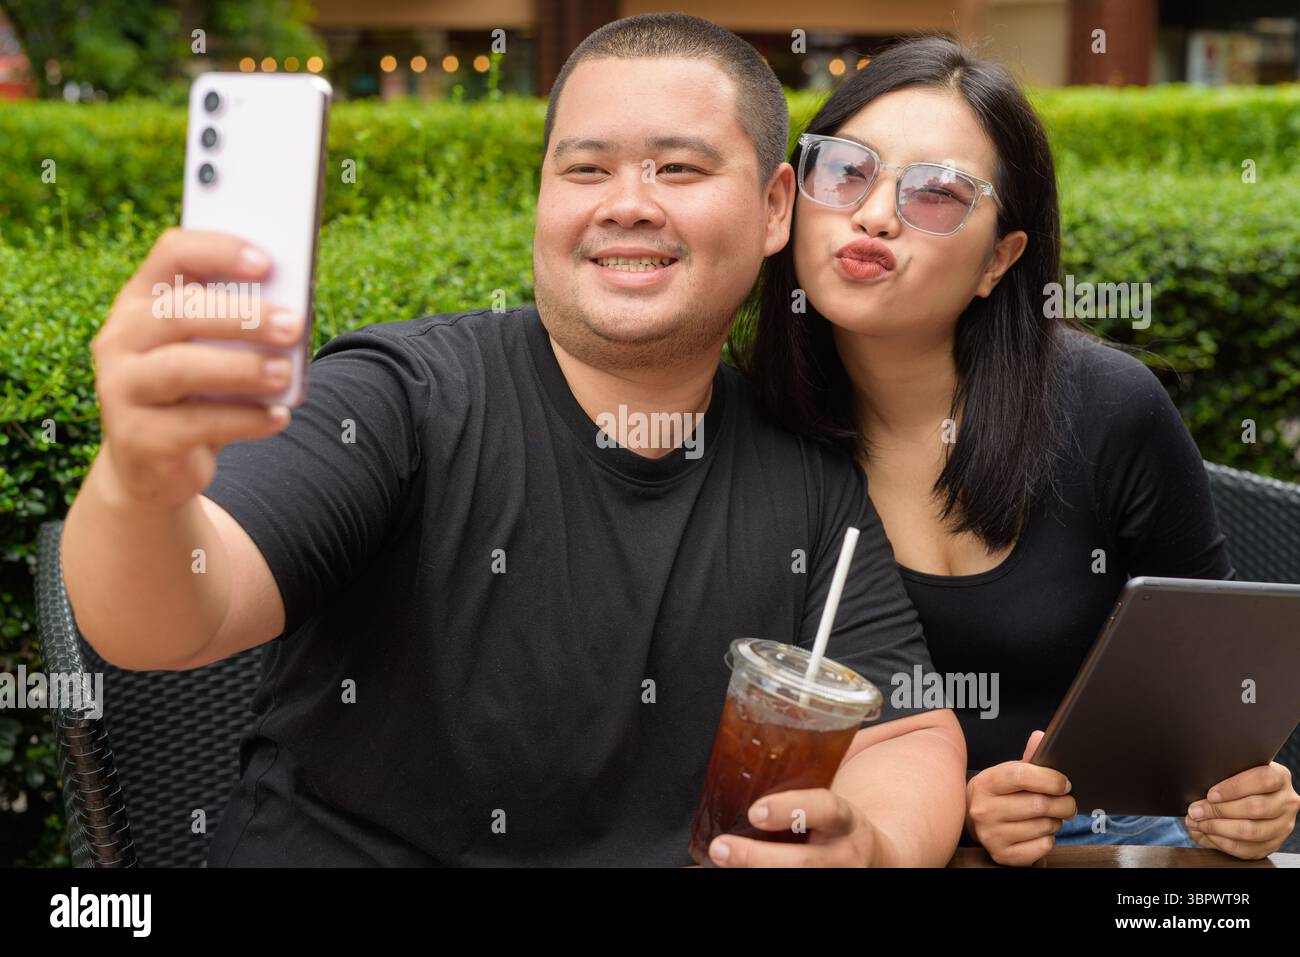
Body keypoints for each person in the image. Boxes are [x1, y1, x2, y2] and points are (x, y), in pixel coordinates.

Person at [61, 14, 967, 867]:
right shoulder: (397, 398)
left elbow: (911, 733)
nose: (627, 205)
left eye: (679, 170)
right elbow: (178, 618)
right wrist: (141, 480)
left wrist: (872, 844)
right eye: (584, 170)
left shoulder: (803, 471)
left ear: (776, 209)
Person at [735, 36, 1300, 865]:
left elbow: (1216, 699)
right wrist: (953, 816)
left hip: (1116, 844)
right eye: (846, 169)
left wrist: (1247, 796)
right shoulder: (746, 432)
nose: (876, 212)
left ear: (1000, 260)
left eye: (937, 193)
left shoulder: (1107, 408)